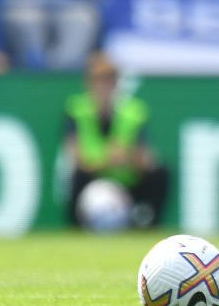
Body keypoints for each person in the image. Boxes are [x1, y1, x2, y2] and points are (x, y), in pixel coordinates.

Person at [65, 53, 169, 228]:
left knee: (161, 173)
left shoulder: (134, 112)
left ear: (116, 85)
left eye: (109, 82)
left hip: (126, 180)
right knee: (77, 177)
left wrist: (127, 157)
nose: (104, 88)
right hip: (93, 178)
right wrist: (107, 160)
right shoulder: (77, 110)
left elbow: (147, 159)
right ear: (90, 84)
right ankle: (77, 227)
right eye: (99, 82)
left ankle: (149, 225)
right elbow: (76, 159)